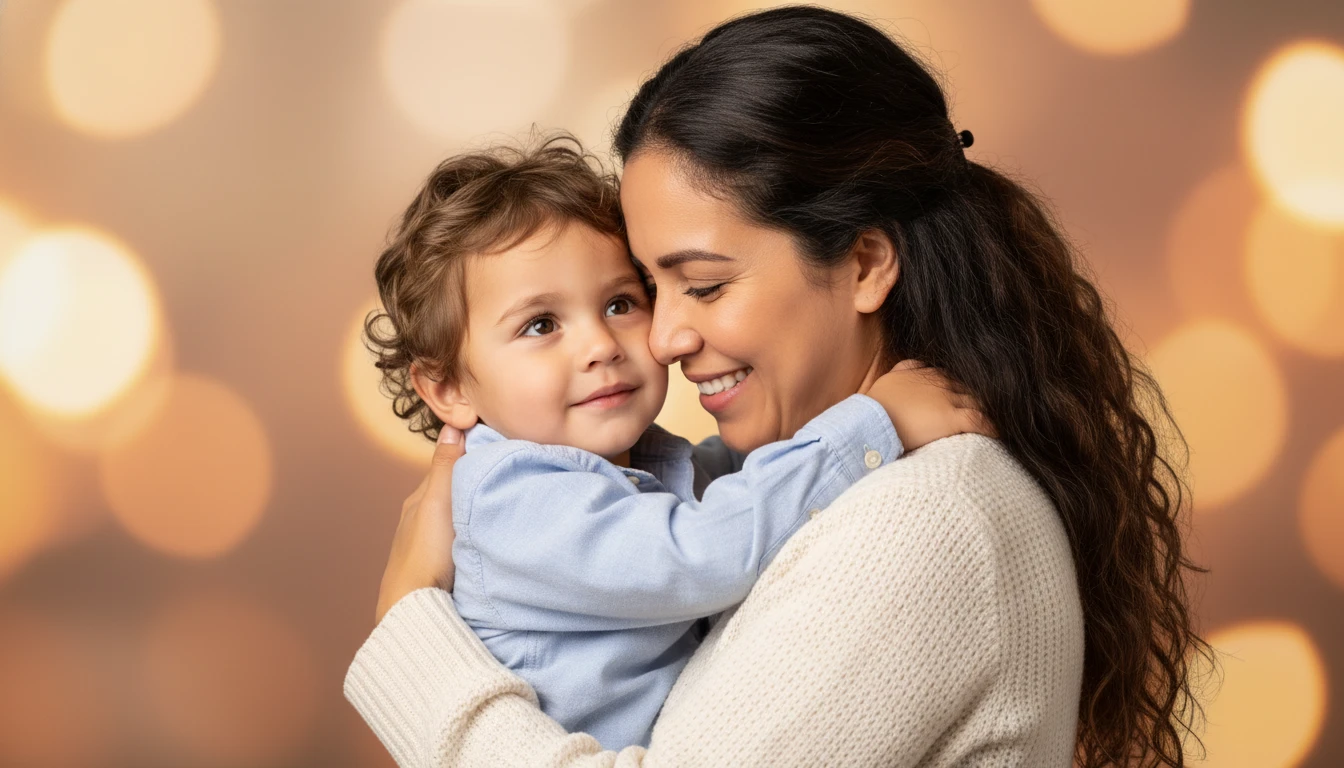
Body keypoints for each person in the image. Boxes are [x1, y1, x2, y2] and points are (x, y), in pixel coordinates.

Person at [347, 7, 1210, 767]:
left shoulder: (924, 523)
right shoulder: (864, 484)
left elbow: (705, 539)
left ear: (865, 263)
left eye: (701, 285)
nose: (662, 336)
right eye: (657, 286)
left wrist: (410, 630)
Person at [363, 139, 989, 749]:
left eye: (619, 303)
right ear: (447, 389)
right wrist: (872, 425)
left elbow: (724, 496)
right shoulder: (515, 498)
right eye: (541, 324)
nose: (601, 345)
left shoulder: (636, 460)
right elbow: (703, 552)